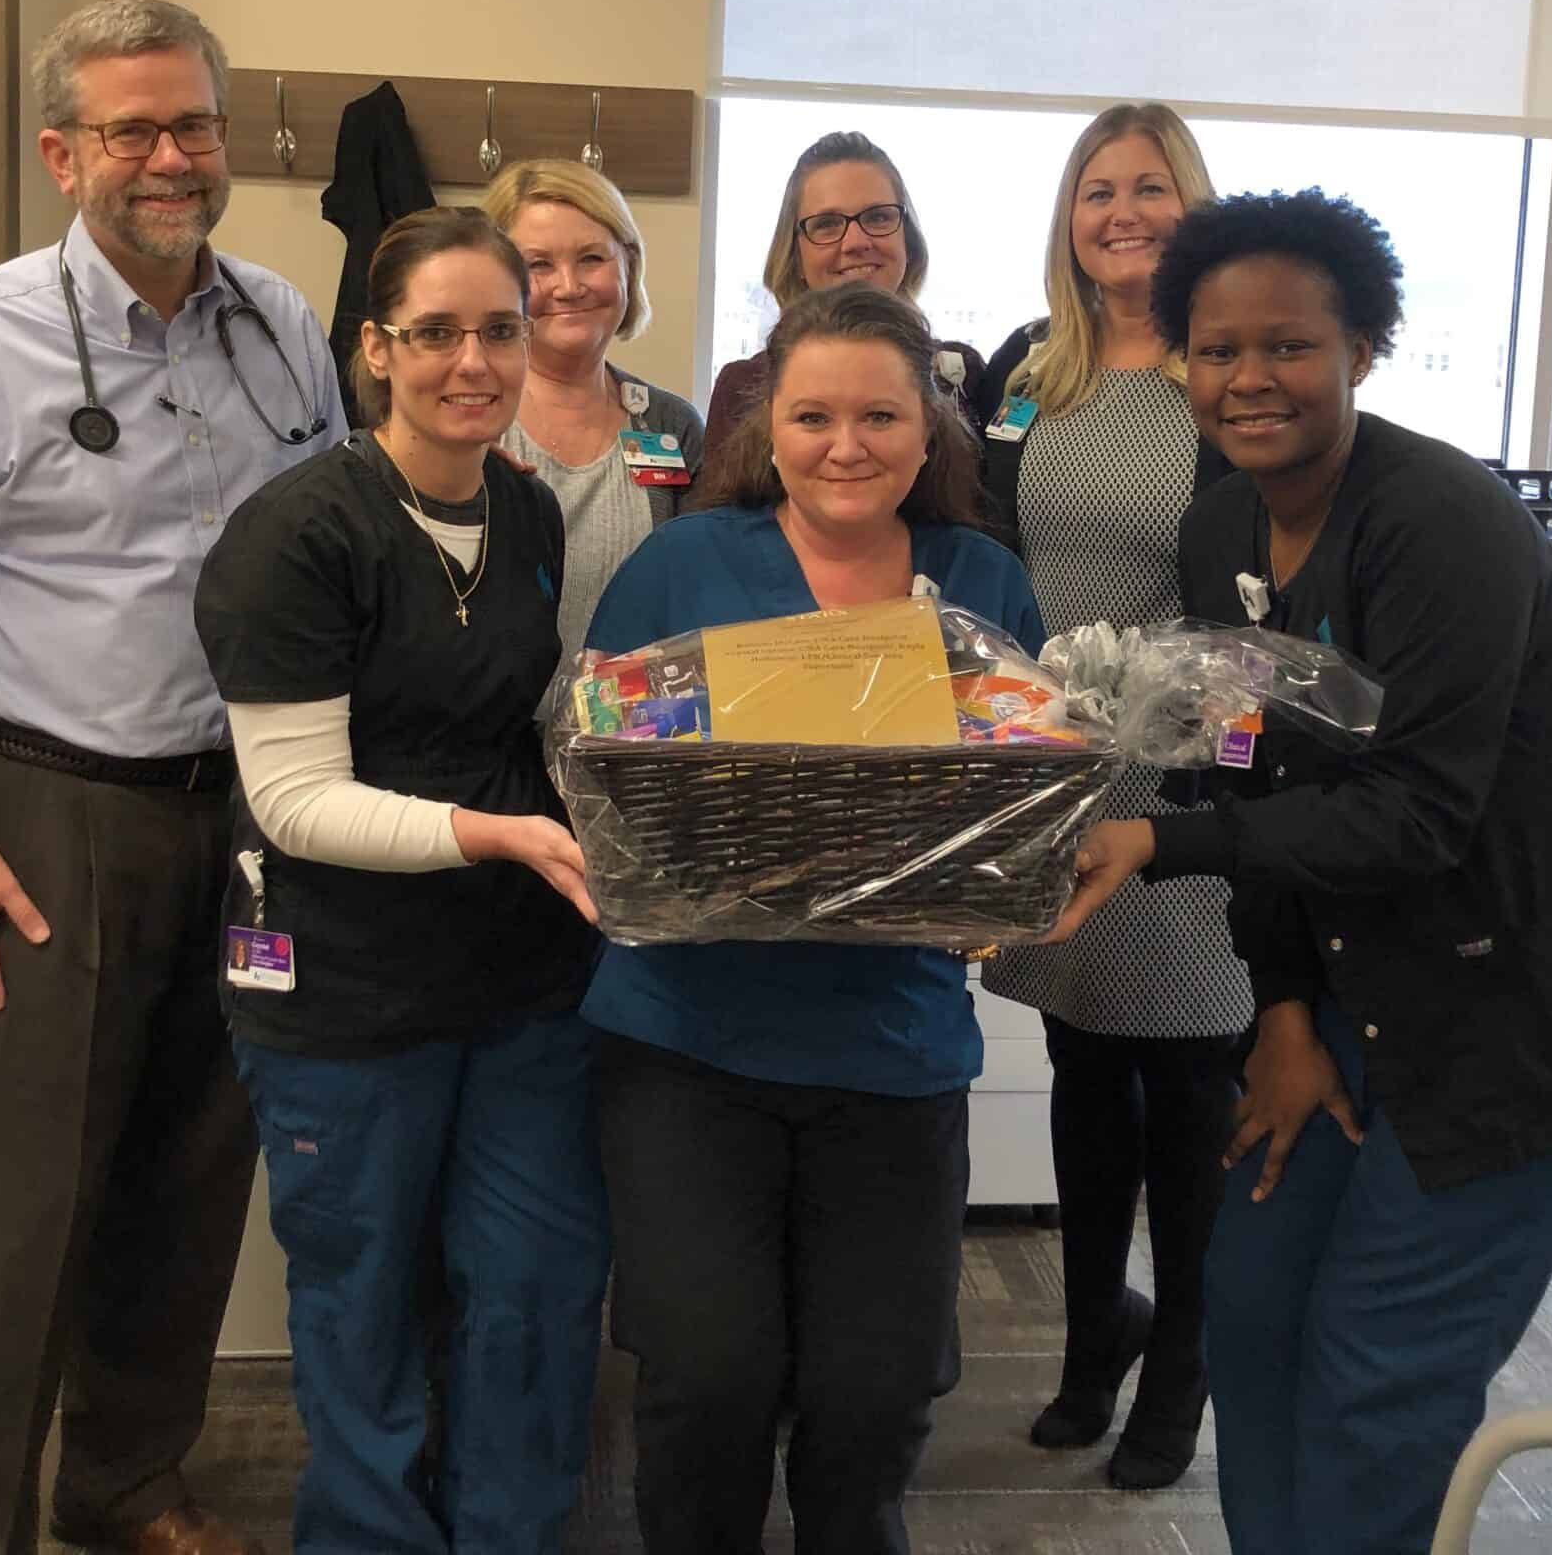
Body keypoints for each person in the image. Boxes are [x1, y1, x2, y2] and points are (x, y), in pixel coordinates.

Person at [1050, 188, 1552, 1555]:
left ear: (1363, 348)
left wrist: (1155, 841)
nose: (1250, 378)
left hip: (1537, 1009)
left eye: (1289, 345)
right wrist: (1289, 1016)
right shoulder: (1220, 533)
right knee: (1249, 1316)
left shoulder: (1443, 523)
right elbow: (1250, 772)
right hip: (1360, 987)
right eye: (1216, 348)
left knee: (1380, 1376)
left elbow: (1416, 816)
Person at [0, 0, 343, 1555]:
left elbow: (333, 547)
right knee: (28, 1208)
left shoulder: (281, 324)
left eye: (193, 123)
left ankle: (126, 1481)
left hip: (249, 814)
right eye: (131, 128)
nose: (169, 157)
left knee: (196, 1176)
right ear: (64, 153)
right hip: (46, 814)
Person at [583, 281, 1044, 1555]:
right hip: (690, 1043)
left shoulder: (983, 581)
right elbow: (597, 767)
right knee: (708, 1384)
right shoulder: (683, 565)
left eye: (880, 416)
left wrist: (1002, 890)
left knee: (872, 1396)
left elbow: (1026, 800)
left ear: (929, 429)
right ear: (765, 426)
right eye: (813, 415)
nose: (847, 445)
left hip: (891, 1051)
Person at [191, 206, 608, 1555]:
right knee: (363, 1297)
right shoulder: (298, 535)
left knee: (534, 1288)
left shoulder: (530, 511)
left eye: (500, 329)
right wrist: (501, 836)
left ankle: (509, 1533)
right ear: (375, 350)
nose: (471, 362)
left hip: (520, 984)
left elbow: (519, 725)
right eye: (435, 333)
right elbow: (297, 802)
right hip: (346, 993)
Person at [974, 103, 1243, 1490]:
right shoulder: (1031, 374)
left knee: (1191, 1084)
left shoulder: (1225, 377)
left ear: (1193, 209)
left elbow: (1257, 596)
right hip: (1055, 773)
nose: (1121, 212)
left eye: (1149, 188)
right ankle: (1096, 1339)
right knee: (1083, 1061)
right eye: (1097, 191)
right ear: (1067, 222)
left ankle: (1182, 1373)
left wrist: (1182, 724)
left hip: (1184, 774)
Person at [481, 158, 704, 693]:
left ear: (628, 266)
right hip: (486, 751)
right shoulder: (467, 418)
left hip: (635, 744)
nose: (569, 286)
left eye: (591, 259)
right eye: (538, 265)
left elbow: (696, 598)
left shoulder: (672, 425)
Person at [702, 130, 994, 451]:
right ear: (794, 254)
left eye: (878, 217)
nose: (856, 242)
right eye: (827, 223)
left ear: (907, 241)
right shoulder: (742, 387)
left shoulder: (962, 376)